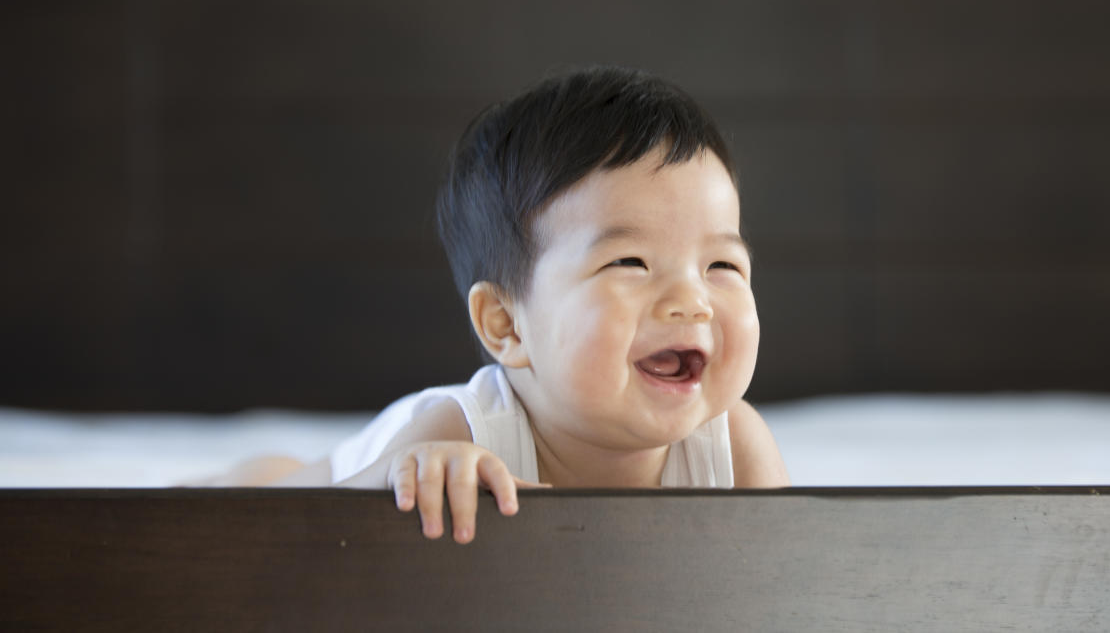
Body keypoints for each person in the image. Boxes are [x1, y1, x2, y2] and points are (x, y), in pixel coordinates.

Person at [211, 65, 789, 542]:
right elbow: (308, 542)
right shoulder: (456, 435)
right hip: (366, 464)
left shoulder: (735, 448)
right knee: (278, 485)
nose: (691, 301)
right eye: (629, 262)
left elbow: (792, 581)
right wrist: (394, 475)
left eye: (722, 266)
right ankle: (250, 472)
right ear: (506, 323)